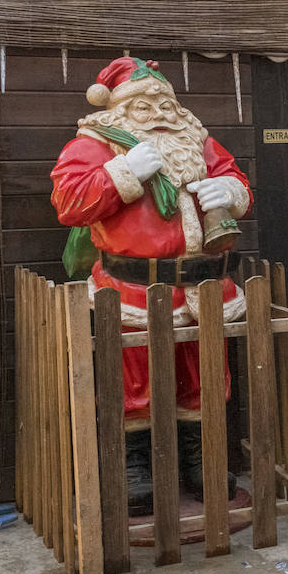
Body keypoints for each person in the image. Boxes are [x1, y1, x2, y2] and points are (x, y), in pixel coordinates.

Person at [51, 57, 252, 515]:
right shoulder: (96, 143)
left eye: (164, 101)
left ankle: (202, 459)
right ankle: (135, 465)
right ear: (120, 110)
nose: (159, 112)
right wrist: (123, 171)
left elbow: (235, 177)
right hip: (133, 289)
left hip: (203, 285)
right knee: (134, 381)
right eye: (144, 105)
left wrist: (230, 193)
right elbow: (69, 201)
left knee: (203, 378)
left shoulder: (196, 138)